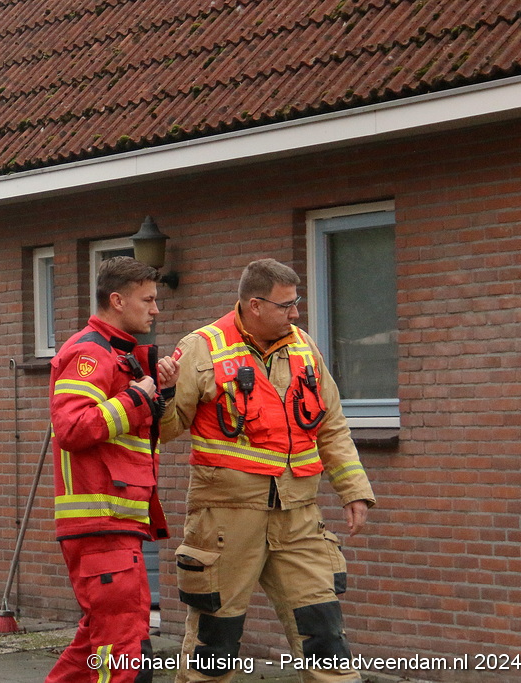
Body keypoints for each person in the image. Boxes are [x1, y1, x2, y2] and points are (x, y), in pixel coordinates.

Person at [158, 258, 375, 683]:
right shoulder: (201, 348)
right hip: (225, 520)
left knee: (326, 638)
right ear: (254, 305)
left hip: (298, 517)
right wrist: (162, 393)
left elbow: (331, 424)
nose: (296, 314)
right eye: (286, 305)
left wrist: (353, 490)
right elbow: (165, 431)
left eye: (296, 304)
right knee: (214, 648)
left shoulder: (303, 347)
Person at [46, 256, 180, 683]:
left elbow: (133, 438)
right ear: (118, 300)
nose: (156, 309)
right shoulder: (89, 353)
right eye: (149, 299)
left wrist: (160, 390)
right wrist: (138, 398)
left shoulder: (121, 356)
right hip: (101, 524)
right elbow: (72, 428)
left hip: (115, 522)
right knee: (121, 649)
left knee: (97, 642)